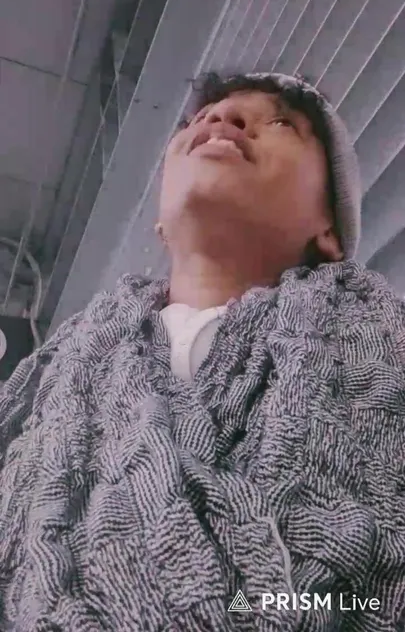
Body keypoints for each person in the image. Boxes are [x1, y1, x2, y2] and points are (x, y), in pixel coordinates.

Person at [0, 71, 404, 632]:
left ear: (331, 229)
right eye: (197, 120)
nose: (219, 119)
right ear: (161, 224)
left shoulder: (384, 347)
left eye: (281, 122)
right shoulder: (51, 380)